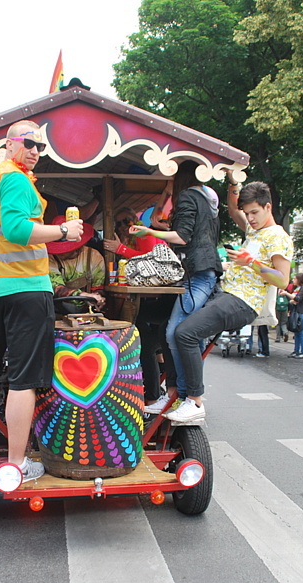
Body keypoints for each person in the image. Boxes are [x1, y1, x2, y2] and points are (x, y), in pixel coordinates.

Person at [0, 120, 84, 482]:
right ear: (10, 144)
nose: (35, 151)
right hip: (26, 289)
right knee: (24, 380)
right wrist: (63, 231)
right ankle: (17, 464)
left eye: (40, 146)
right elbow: (17, 230)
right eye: (29, 144)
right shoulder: (15, 179)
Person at [147, 179, 292, 421]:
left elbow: (283, 280)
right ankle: (173, 392)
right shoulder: (254, 230)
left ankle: (194, 401)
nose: (251, 218)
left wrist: (252, 263)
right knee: (167, 330)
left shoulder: (277, 236)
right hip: (225, 294)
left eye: (255, 212)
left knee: (185, 333)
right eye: (248, 213)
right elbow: (234, 210)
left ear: (268, 207)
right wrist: (233, 182)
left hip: (243, 301)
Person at [129, 160, 224, 406]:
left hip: (198, 272)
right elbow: (163, 220)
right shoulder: (206, 197)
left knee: (175, 333)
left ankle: (187, 397)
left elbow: (181, 236)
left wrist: (148, 233)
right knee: (168, 331)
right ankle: (174, 392)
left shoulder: (187, 197)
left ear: (178, 178)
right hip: (202, 271)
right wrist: (165, 194)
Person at [104, 208, 176, 413]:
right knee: (145, 341)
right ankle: (155, 389)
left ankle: (153, 398)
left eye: (126, 221)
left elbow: (147, 261)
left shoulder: (143, 235)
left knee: (144, 344)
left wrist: (120, 249)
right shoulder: (137, 237)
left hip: (163, 298)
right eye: (120, 223)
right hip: (153, 299)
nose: (124, 227)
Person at [47, 215, 105, 311]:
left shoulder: (94, 257)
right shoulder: (50, 258)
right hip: (57, 308)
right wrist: (82, 295)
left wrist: (98, 297)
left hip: (87, 309)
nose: (59, 252)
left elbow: (99, 288)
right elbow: (57, 288)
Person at [281, 273, 303, 358]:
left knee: (301, 332)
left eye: (295, 279)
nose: (293, 280)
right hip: (296, 312)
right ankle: (296, 350)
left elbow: (297, 299)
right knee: (296, 332)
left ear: (299, 280)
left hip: (302, 312)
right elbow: (294, 300)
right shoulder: (297, 288)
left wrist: (287, 294)